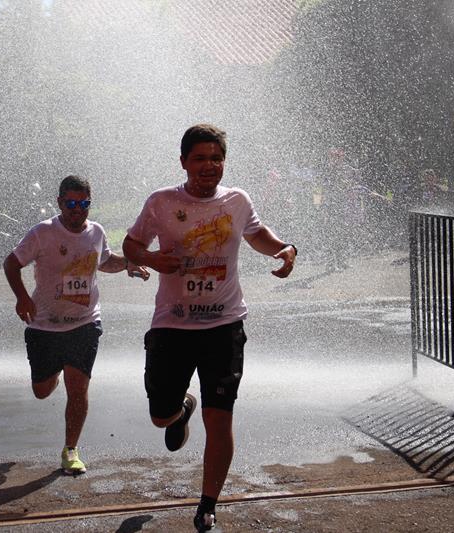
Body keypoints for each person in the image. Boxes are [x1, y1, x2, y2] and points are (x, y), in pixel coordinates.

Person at [122, 124, 296, 531]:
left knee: (220, 419)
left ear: (224, 162)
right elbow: (131, 246)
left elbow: (257, 235)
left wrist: (285, 248)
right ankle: (180, 408)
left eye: (216, 158)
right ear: (183, 162)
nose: (208, 166)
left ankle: (207, 504)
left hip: (224, 324)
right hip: (172, 325)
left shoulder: (237, 201)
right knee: (159, 416)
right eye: (199, 158)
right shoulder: (161, 202)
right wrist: (151, 259)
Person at [3, 175, 148, 475]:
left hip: (85, 324)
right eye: (71, 203)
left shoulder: (96, 232)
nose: (77, 210)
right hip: (44, 325)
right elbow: (11, 264)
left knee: (78, 388)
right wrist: (21, 298)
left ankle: (71, 449)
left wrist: (129, 265)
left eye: (84, 204)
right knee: (42, 390)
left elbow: (104, 261)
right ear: (59, 203)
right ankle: (54, 372)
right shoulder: (42, 233)